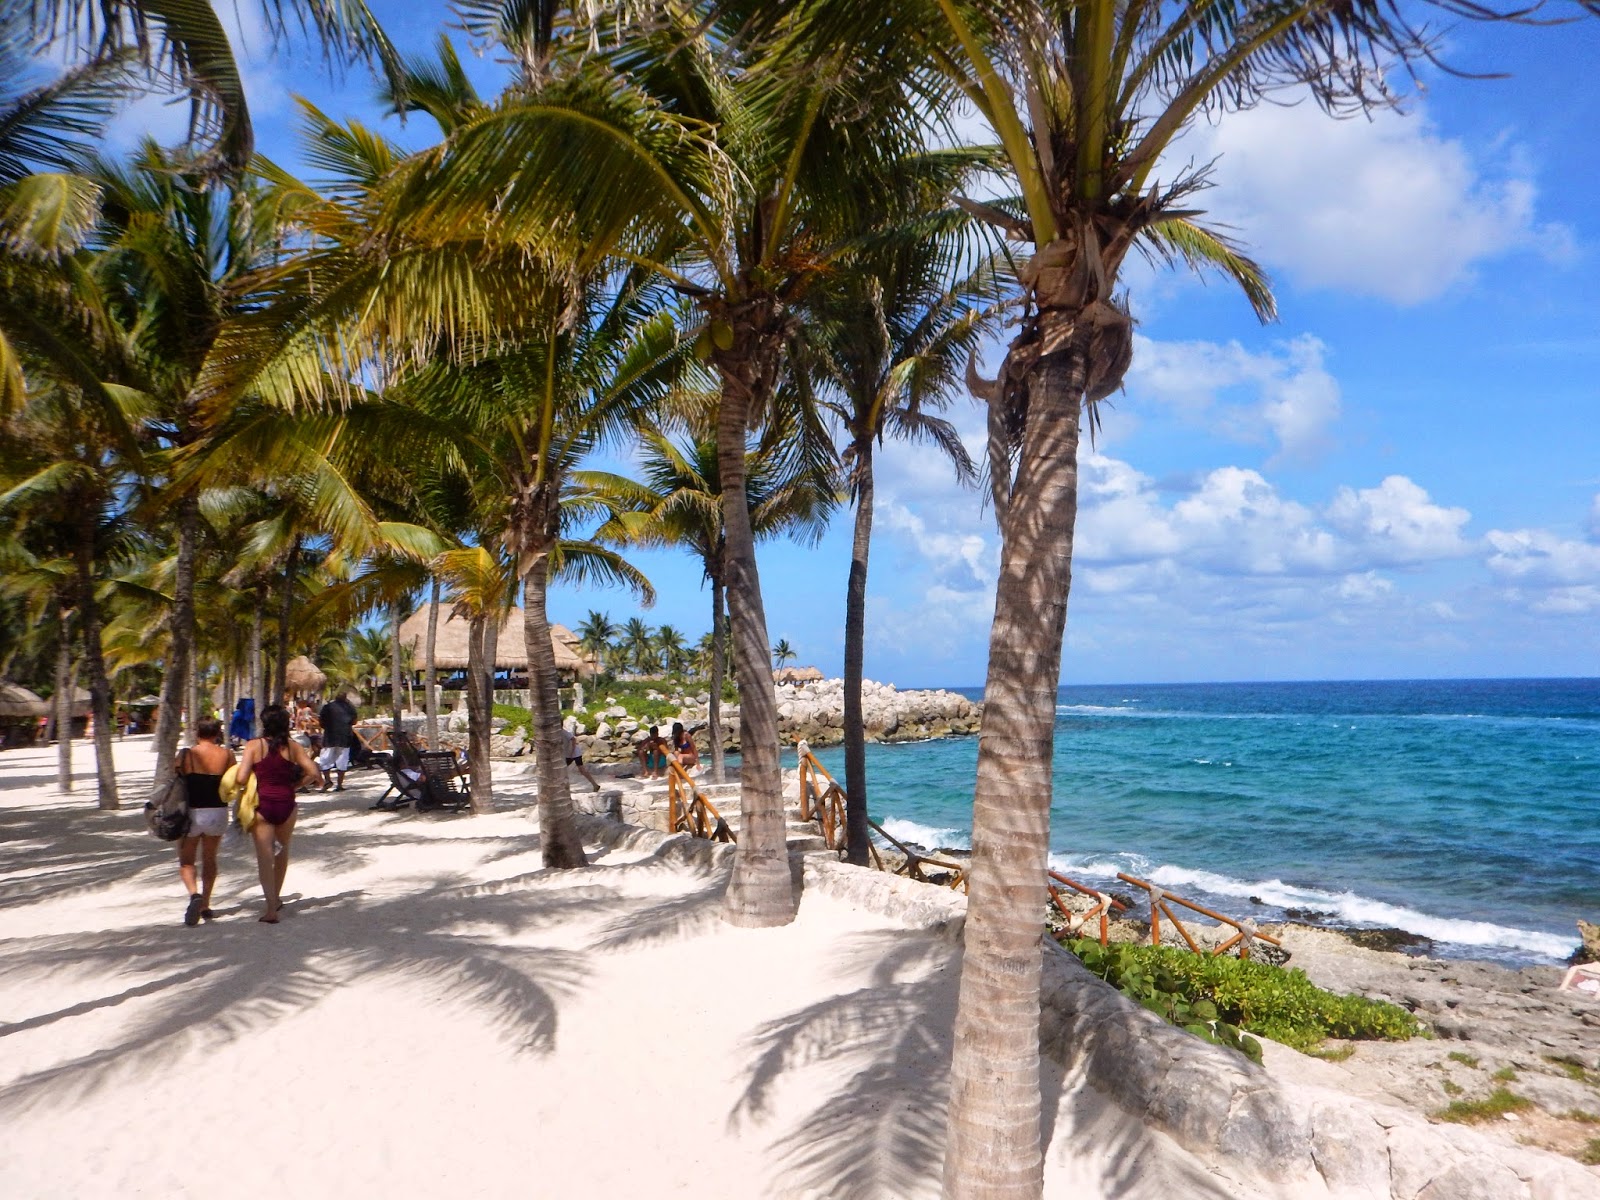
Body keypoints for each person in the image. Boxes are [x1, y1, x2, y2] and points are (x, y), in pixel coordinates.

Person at [237, 704, 321, 924]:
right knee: (281, 852)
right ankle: (275, 900)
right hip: (287, 804)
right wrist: (296, 786)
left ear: (264, 723)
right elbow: (314, 772)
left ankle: (270, 909)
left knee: (265, 858)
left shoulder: (254, 746)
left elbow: (241, 777)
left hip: (262, 805)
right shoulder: (293, 747)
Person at [174, 718, 236, 926]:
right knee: (210, 858)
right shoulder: (227, 754)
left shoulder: (186, 755)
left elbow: (176, 777)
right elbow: (233, 780)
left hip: (192, 812)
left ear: (197, 732)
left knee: (187, 860)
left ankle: (194, 894)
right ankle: (205, 904)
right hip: (217, 811)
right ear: (217, 733)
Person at [316, 691, 359, 791]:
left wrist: (327, 726)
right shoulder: (349, 707)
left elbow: (321, 721)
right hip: (345, 737)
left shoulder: (327, 707)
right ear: (345, 698)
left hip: (330, 737)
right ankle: (339, 785)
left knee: (325, 760)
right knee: (342, 761)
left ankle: (328, 780)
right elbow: (354, 721)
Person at [563, 719, 601, 792]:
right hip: (570, 754)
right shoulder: (558, 733)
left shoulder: (563, 732)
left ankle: (594, 785)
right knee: (580, 770)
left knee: (564, 770)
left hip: (573, 754)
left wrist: (571, 751)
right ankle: (595, 785)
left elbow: (573, 739)